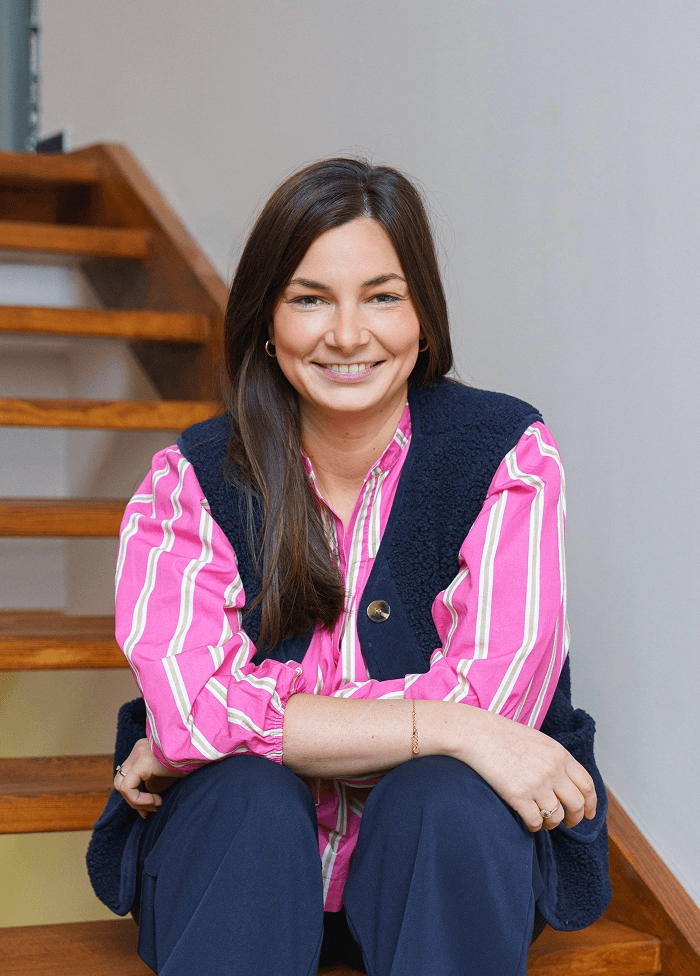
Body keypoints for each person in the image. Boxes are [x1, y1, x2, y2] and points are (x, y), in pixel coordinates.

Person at [90, 158, 610, 976]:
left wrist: (231, 723)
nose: (346, 335)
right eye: (309, 299)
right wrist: (449, 725)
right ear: (267, 320)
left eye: (381, 296)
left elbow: (497, 701)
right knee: (245, 798)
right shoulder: (189, 480)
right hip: (235, 872)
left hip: (440, 869)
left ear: (423, 316)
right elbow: (193, 712)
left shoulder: (507, 455)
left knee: (444, 797)